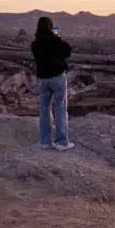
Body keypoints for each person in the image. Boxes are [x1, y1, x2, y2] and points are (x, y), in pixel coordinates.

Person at [31, 16, 73, 150]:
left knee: (44, 109)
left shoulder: (35, 44)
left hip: (43, 79)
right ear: (51, 27)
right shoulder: (55, 41)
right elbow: (67, 50)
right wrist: (56, 36)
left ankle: (45, 141)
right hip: (57, 77)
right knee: (60, 107)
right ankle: (61, 142)